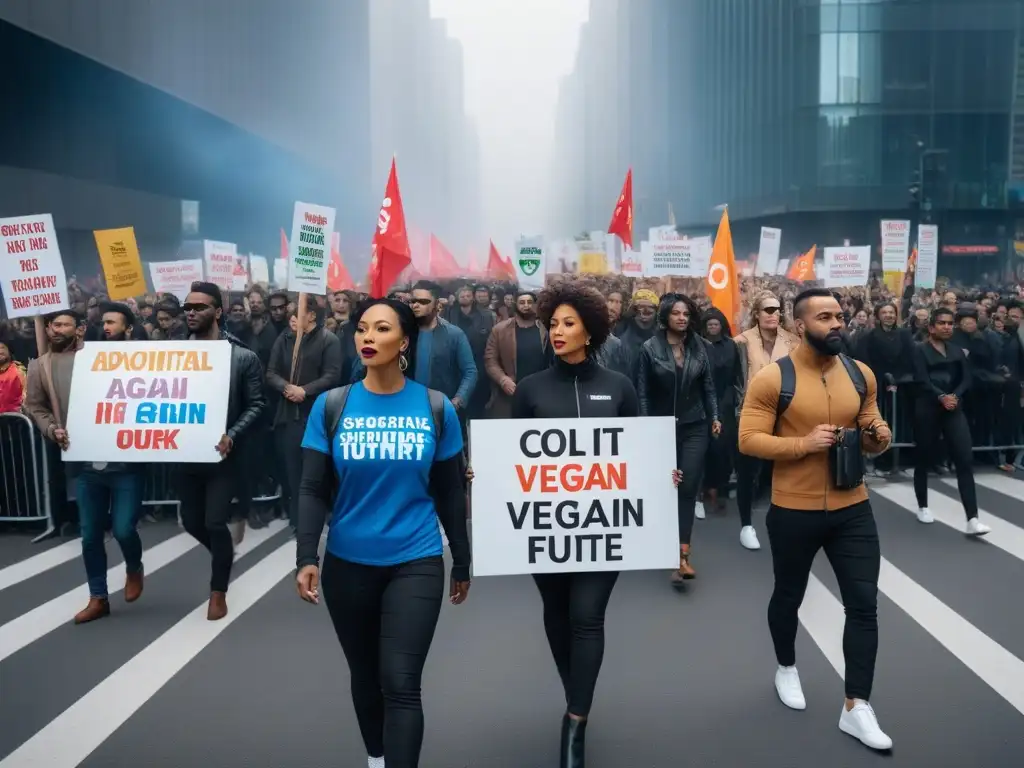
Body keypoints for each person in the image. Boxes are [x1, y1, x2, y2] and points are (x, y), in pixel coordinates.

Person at [295, 297, 470, 768]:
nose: (368, 337)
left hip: (416, 559)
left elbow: (452, 492)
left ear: (404, 341)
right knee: (366, 674)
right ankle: (377, 757)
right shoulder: (332, 406)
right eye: (362, 328)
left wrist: (464, 560)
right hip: (348, 564)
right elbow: (312, 488)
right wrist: (307, 556)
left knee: (401, 681)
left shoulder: (435, 408)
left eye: (382, 329)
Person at [739, 288, 893, 752]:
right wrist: (802, 445)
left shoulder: (859, 372)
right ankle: (786, 667)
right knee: (789, 596)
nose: (837, 323)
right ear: (800, 325)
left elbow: (871, 422)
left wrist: (878, 437)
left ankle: (857, 706)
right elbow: (748, 439)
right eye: (825, 317)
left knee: (864, 605)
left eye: (840, 316)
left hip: (853, 508)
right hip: (793, 510)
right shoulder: (773, 378)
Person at [511, 281, 654, 768]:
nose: (557, 331)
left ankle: (576, 720)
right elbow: (514, 461)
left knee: (587, 615)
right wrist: (483, 476)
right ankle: (578, 692)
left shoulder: (619, 387)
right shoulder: (530, 390)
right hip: (546, 529)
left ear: (590, 330)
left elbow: (637, 453)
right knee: (557, 613)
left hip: (602, 529)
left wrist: (661, 474)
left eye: (568, 323)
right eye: (553, 324)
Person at [176, 282, 265, 621]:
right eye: (188, 307)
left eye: (199, 307)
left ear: (218, 311)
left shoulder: (242, 357)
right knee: (192, 521)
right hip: (186, 454)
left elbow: (256, 405)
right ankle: (223, 556)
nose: (191, 313)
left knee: (214, 522)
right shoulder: (172, 354)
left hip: (224, 456)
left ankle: (218, 592)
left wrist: (232, 434)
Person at [69, 302, 150, 624]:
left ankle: (134, 566)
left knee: (123, 529)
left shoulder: (147, 363)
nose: (105, 327)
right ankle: (98, 597)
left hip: (126, 465)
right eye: (102, 322)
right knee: (89, 536)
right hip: (90, 465)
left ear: (128, 328)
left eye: (112, 322)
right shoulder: (88, 361)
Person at [636, 293, 719, 583]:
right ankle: (659, 542)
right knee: (664, 489)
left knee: (686, 486)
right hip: (661, 429)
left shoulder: (698, 346)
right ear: (666, 316)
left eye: (686, 314)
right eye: (676, 313)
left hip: (695, 425)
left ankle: (682, 556)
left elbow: (708, 387)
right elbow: (643, 392)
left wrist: (715, 417)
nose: (682, 318)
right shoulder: (650, 348)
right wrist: (647, 428)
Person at [911, 307, 991, 534]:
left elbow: (967, 378)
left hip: (953, 409)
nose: (947, 327)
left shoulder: (957, 351)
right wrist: (940, 396)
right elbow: (921, 379)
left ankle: (972, 518)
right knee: (924, 458)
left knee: (964, 459)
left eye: (949, 323)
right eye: (942, 323)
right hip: (928, 408)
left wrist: (954, 396)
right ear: (931, 327)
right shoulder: (919, 350)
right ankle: (923, 505)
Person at [734, 290, 800, 551]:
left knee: (783, 470)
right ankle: (746, 525)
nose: (774, 314)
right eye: (768, 310)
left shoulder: (793, 341)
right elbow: (735, 378)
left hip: (786, 412)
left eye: (777, 309)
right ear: (757, 314)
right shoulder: (741, 341)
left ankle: (785, 523)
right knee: (747, 471)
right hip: (751, 412)